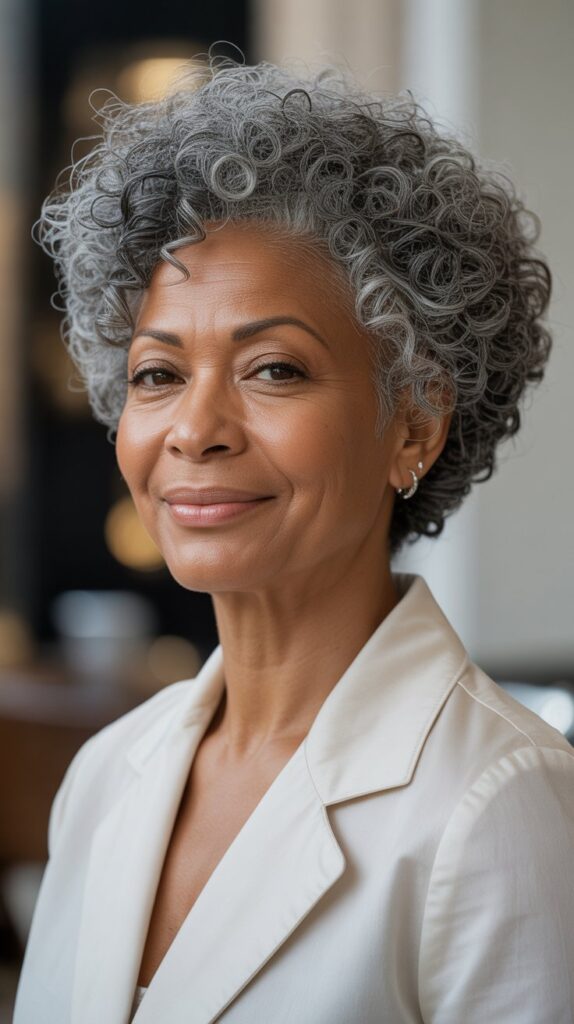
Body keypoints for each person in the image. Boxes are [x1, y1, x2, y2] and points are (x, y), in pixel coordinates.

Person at [14, 49, 574, 1024]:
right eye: (156, 373)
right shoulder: (108, 775)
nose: (195, 428)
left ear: (414, 421)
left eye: (273, 368)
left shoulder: (499, 807)